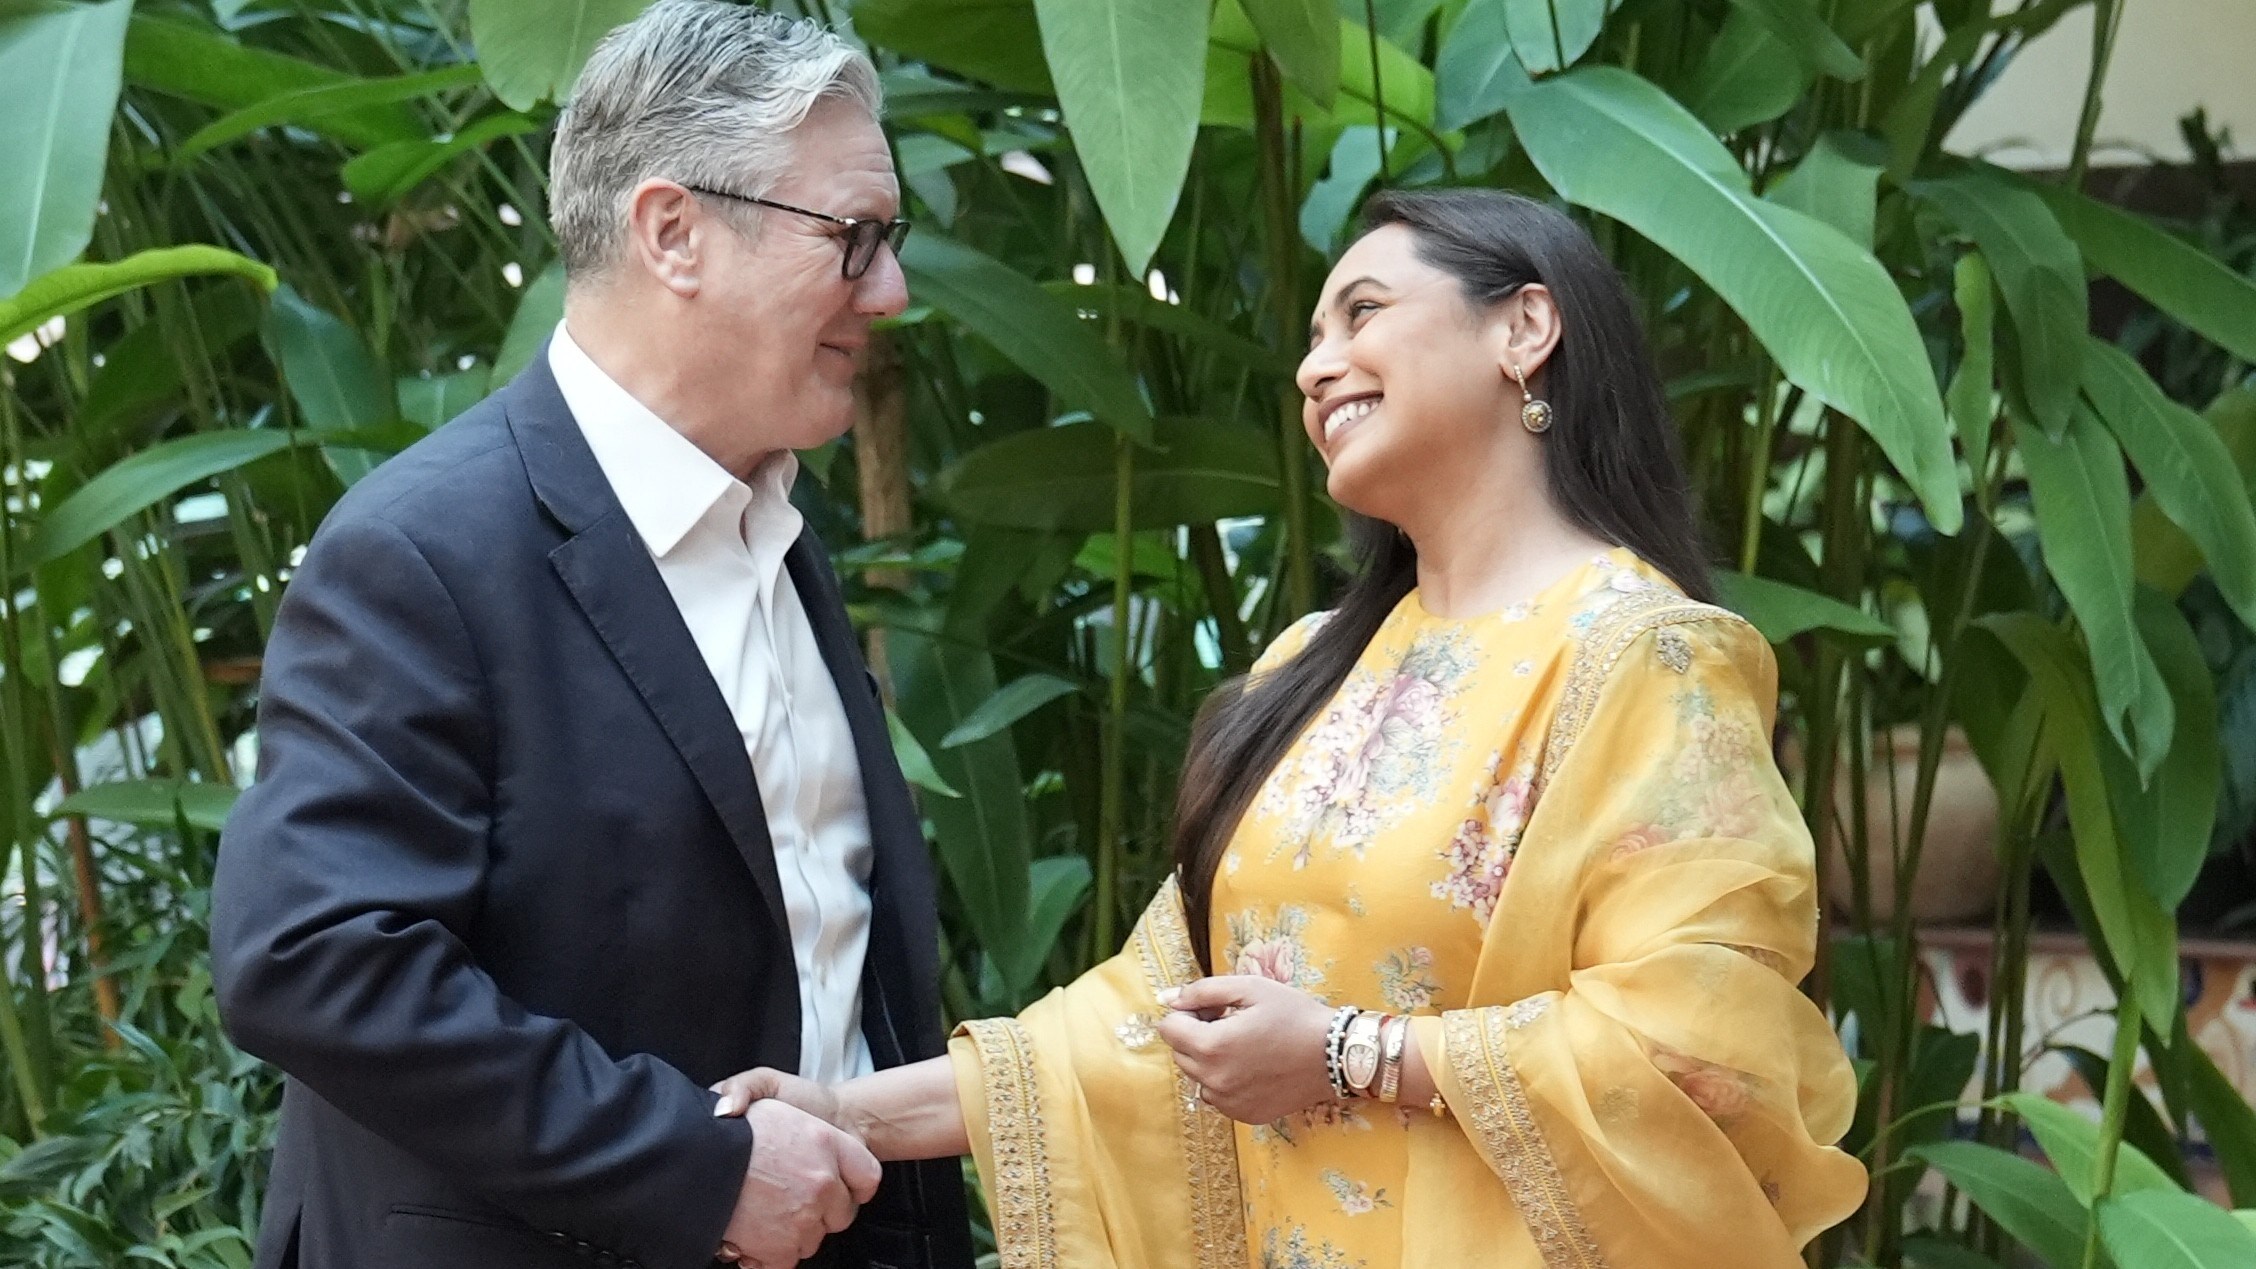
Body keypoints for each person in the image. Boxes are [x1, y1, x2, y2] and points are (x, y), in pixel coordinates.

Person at [711, 188, 1870, 1268]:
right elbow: (1145, 1026)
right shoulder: (1312, 667)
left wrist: (1345, 1052)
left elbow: (1698, 1051)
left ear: (1524, 329)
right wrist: (844, 1112)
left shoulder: (1646, 657)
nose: (1315, 368)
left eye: (1362, 313)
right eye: (1312, 341)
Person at [210, 5, 971, 1267]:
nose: (890, 292)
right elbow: (313, 958)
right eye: (853, 238)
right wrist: (694, 1169)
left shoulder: (772, 527)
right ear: (674, 233)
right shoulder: (424, 550)